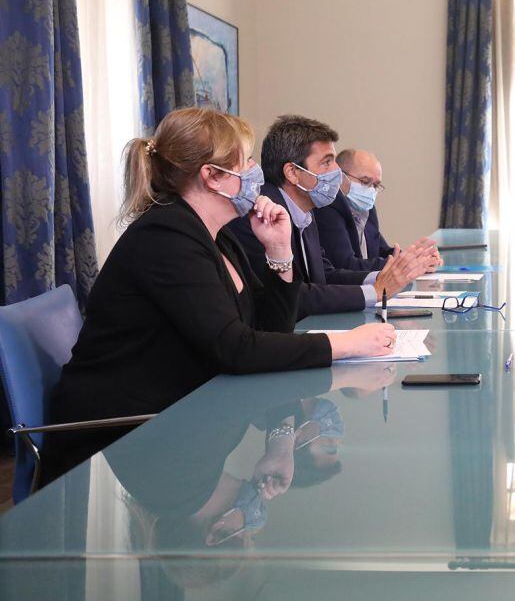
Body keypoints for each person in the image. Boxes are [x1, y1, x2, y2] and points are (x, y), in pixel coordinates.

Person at [43, 108, 397, 484]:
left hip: (179, 417)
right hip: (118, 440)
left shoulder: (219, 233)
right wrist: (345, 344)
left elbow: (270, 327)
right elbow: (237, 349)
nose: (255, 171)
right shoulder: (165, 238)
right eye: (245, 161)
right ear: (212, 176)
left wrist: (279, 252)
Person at [228, 116, 438, 318]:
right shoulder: (260, 216)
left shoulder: (305, 210)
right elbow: (294, 294)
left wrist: (384, 277)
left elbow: (325, 275)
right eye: (327, 162)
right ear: (292, 172)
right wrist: (376, 291)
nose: (337, 171)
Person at [314, 148, 442, 272]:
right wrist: (404, 264)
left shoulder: (367, 209)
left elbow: (381, 251)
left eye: (375, 185)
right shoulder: (327, 208)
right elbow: (346, 265)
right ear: (339, 177)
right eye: (365, 181)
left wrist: (417, 257)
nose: (370, 190)